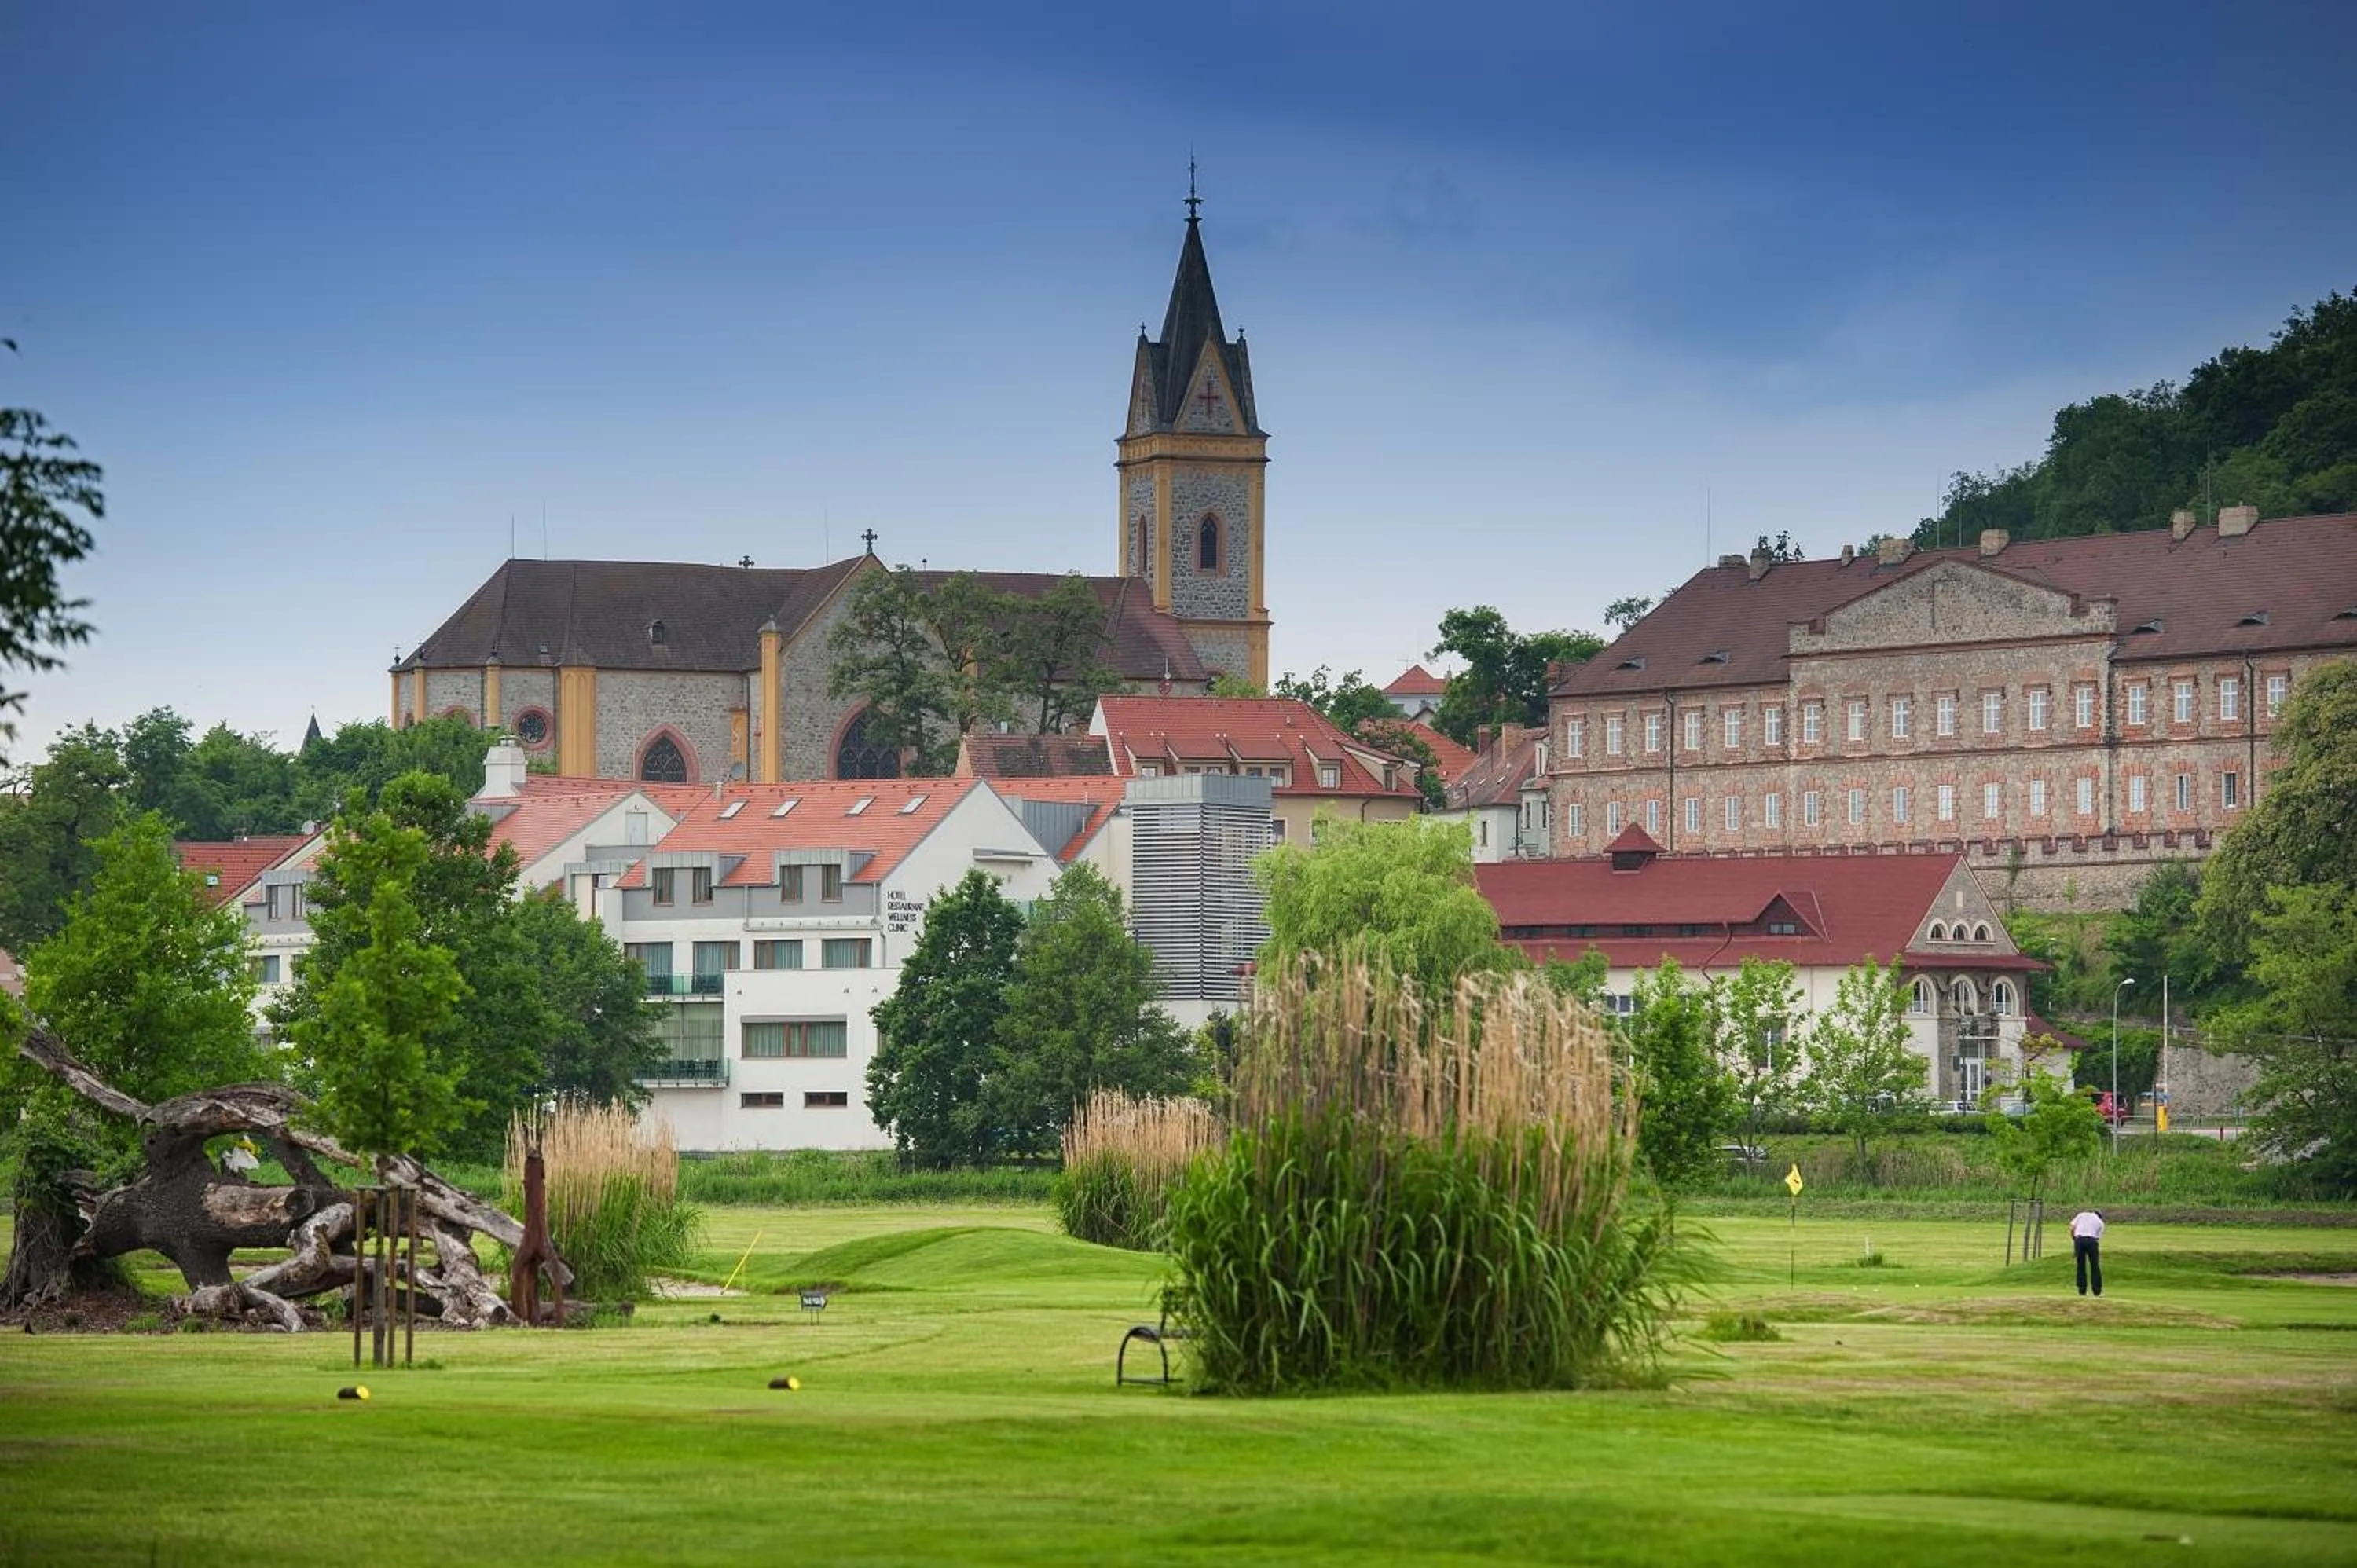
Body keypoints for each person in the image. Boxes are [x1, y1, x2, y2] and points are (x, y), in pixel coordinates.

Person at [2069, 1208, 2105, 1297]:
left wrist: (2074, 1240)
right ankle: (2097, 1291)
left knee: (2080, 1265)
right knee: (2095, 1265)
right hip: (2092, 1241)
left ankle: (2082, 1290)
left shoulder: (2081, 1215)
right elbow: (2097, 1238)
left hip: (2079, 1240)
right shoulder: (2100, 1222)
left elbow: (2072, 1228)